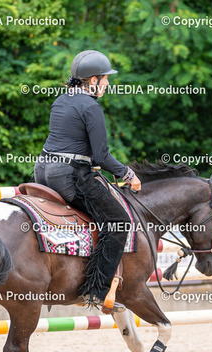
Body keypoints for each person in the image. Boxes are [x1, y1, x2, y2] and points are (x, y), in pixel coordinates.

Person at [34, 50, 141, 312]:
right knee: (118, 221)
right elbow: (101, 156)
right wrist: (128, 174)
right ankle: (96, 291)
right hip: (70, 176)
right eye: (106, 78)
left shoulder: (61, 100)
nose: (108, 84)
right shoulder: (91, 107)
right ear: (93, 80)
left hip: (42, 171)